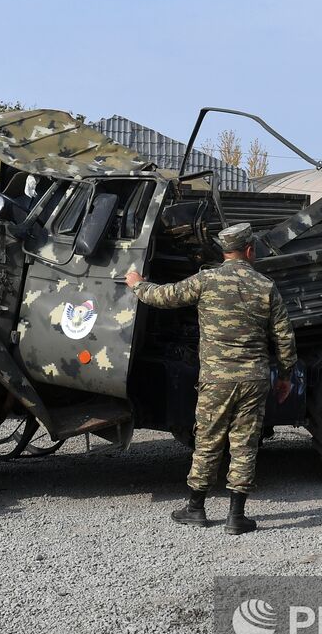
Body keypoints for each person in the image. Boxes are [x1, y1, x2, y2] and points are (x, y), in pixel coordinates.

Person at [125, 222, 297, 534]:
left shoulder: (207, 280)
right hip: (254, 379)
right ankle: (236, 517)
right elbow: (284, 338)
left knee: (208, 440)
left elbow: (164, 297)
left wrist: (138, 284)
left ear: (225, 251)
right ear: (248, 250)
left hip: (217, 379)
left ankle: (196, 508)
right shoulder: (265, 286)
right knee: (245, 444)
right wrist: (284, 376)